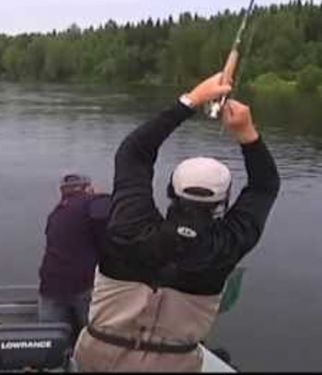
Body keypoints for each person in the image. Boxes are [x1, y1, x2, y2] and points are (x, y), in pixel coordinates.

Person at [72, 72, 281, 372]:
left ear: (171, 191)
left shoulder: (130, 225)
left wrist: (191, 100)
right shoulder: (225, 247)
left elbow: (134, 153)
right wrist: (247, 133)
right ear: (223, 203)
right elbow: (264, 185)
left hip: (99, 358)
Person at [38, 173, 111, 339]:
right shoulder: (92, 202)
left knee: (51, 342)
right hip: (83, 285)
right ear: (87, 188)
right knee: (94, 339)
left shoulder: (56, 213)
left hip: (50, 285)